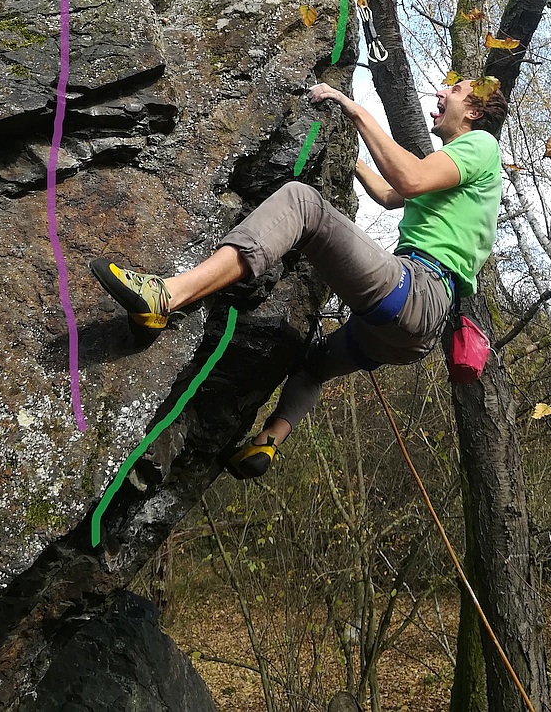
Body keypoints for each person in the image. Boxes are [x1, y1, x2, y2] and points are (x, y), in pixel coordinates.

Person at [90, 78, 507, 477]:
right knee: (312, 366)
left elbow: (409, 179)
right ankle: (268, 441)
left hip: (416, 289)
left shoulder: (481, 144)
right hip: (414, 333)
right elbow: (387, 194)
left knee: (302, 203)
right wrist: (348, 154)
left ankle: (167, 296)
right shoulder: (455, 170)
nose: (440, 92)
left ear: (473, 110)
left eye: (454, 90)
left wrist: (352, 108)